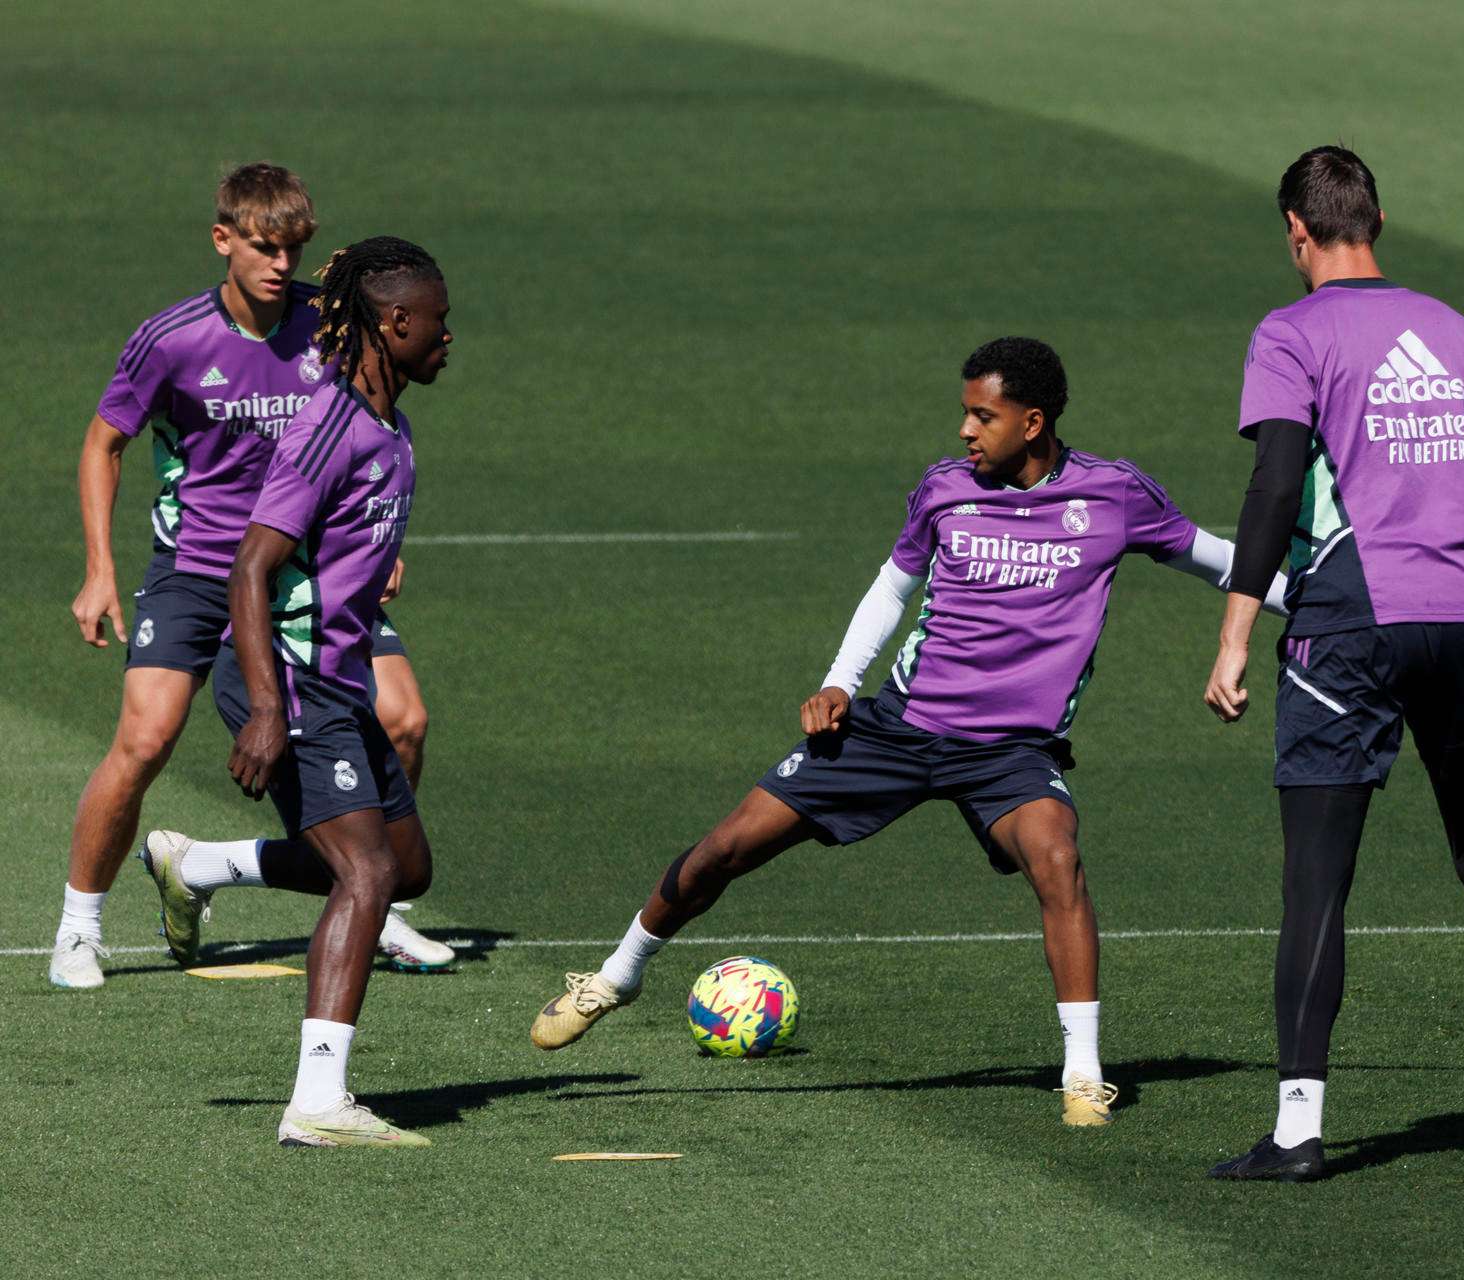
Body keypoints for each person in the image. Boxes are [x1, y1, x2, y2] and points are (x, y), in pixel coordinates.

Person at [530, 336, 1287, 1126]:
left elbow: (1225, 561)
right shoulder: (945, 490)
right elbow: (890, 592)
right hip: (900, 725)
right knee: (727, 846)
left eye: (981, 415)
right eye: (965, 413)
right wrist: (838, 683)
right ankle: (618, 976)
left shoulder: (1114, 496)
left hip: (1011, 753)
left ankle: (1082, 1075)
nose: (965, 430)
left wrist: (1326, 603)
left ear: (1031, 422)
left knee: (1057, 859)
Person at [1202, 147, 1464, 1181]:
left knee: (1317, 880)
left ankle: (1298, 1130)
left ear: (1296, 229)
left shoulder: (1293, 332)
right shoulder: (1460, 332)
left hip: (1350, 622)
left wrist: (1235, 633)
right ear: (1378, 218)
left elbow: (1277, 488)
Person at [48, 164, 448, 989]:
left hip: (303, 569)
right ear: (222, 239)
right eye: (264, 247)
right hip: (201, 569)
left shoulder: (327, 325)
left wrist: (372, 537)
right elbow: (103, 444)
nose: (280, 264)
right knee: (147, 736)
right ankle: (80, 926)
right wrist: (99, 571)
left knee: (404, 718)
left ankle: (378, 904)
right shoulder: (172, 339)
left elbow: (364, 421)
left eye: (295, 249)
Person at [143, 236, 451, 1146]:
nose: (448, 339)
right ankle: (317, 1103)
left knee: (405, 871)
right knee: (366, 872)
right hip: (292, 680)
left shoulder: (387, 422)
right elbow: (251, 565)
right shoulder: (331, 426)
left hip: (337, 680)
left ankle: (201, 865)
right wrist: (267, 708)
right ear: (394, 323)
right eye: (439, 323)